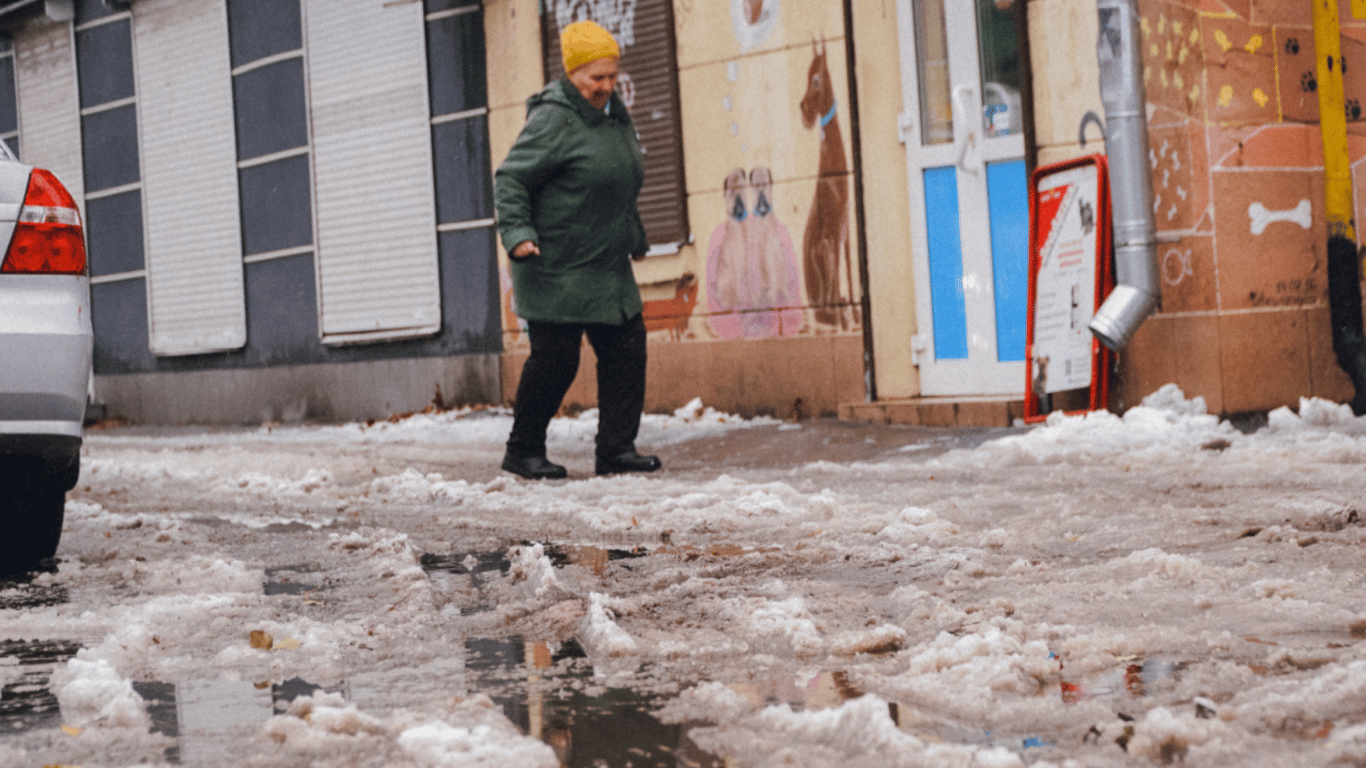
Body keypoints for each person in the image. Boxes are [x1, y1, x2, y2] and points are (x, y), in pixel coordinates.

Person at [494, 19, 663, 480]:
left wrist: (635, 233)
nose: (606, 86)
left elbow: (618, 181)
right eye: (596, 77)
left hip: (604, 264)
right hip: (554, 264)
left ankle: (615, 451)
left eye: (611, 76)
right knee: (556, 361)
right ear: (573, 74)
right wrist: (517, 233)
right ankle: (522, 450)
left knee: (628, 349)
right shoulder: (553, 119)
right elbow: (511, 178)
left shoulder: (614, 114)